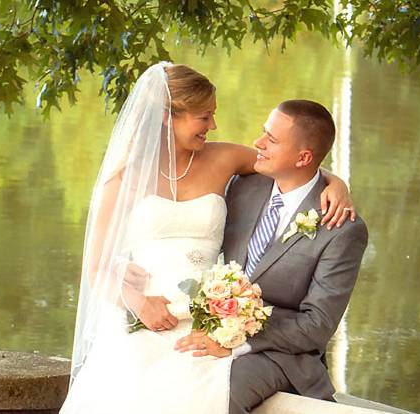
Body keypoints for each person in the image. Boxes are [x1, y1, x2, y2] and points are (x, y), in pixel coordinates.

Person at [60, 63, 356, 413]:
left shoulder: (224, 158)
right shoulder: (122, 179)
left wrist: (336, 184)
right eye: (204, 117)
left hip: (209, 313)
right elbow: (95, 269)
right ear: (169, 116)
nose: (213, 125)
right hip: (147, 310)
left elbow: (294, 165)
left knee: (194, 394)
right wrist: (138, 303)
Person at [175, 100, 368, 413]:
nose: (258, 143)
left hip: (282, 355)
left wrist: (235, 340)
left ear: (303, 157)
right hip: (213, 329)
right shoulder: (242, 186)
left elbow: (317, 325)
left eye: (272, 140)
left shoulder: (341, 229)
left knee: (214, 395)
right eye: (264, 133)